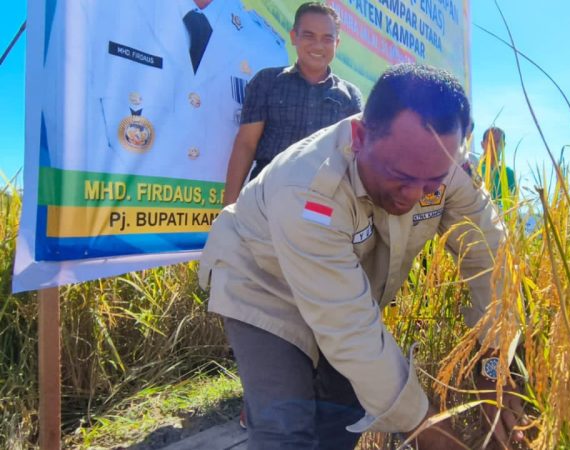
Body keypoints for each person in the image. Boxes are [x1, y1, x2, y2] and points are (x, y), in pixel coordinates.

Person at [200, 64, 526, 449]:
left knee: (344, 415)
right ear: (358, 137)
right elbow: (351, 332)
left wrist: (493, 369)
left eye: (433, 182)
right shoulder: (308, 188)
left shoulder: (445, 168)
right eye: (400, 176)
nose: (416, 195)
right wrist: (431, 435)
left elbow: (490, 264)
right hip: (263, 283)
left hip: (344, 288)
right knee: (284, 425)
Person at [66, 0, 289, 181]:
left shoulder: (269, 50)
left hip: (221, 227)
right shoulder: (96, 9)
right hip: (118, 224)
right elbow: (65, 133)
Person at [222, 2, 363, 205]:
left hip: (321, 204)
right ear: (294, 36)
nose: (318, 45)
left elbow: (355, 162)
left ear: (337, 43)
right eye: (308, 36)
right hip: (265, 198)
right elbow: (246, 144)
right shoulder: (267, 81)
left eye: (327, 38)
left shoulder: (350, 97)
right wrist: (228, 209)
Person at [478, 126, 517, 204]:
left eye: (497, 141)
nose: (494, 145)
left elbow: (513, 203)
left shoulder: (508, 173)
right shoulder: (473, 168)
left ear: (504, 145)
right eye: (490, 141)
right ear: (482, 144)